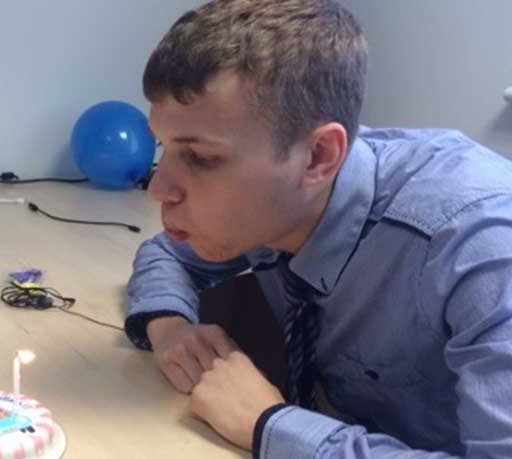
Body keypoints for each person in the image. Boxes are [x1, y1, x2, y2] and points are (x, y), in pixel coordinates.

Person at [123, 0, 512, 458]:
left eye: (201, 158)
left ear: (319, 157)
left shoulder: (481, 245)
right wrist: (170, 329)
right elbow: (166, 252)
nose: (158, 188)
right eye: (162, 147)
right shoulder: (283, 201)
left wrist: (271, 425)